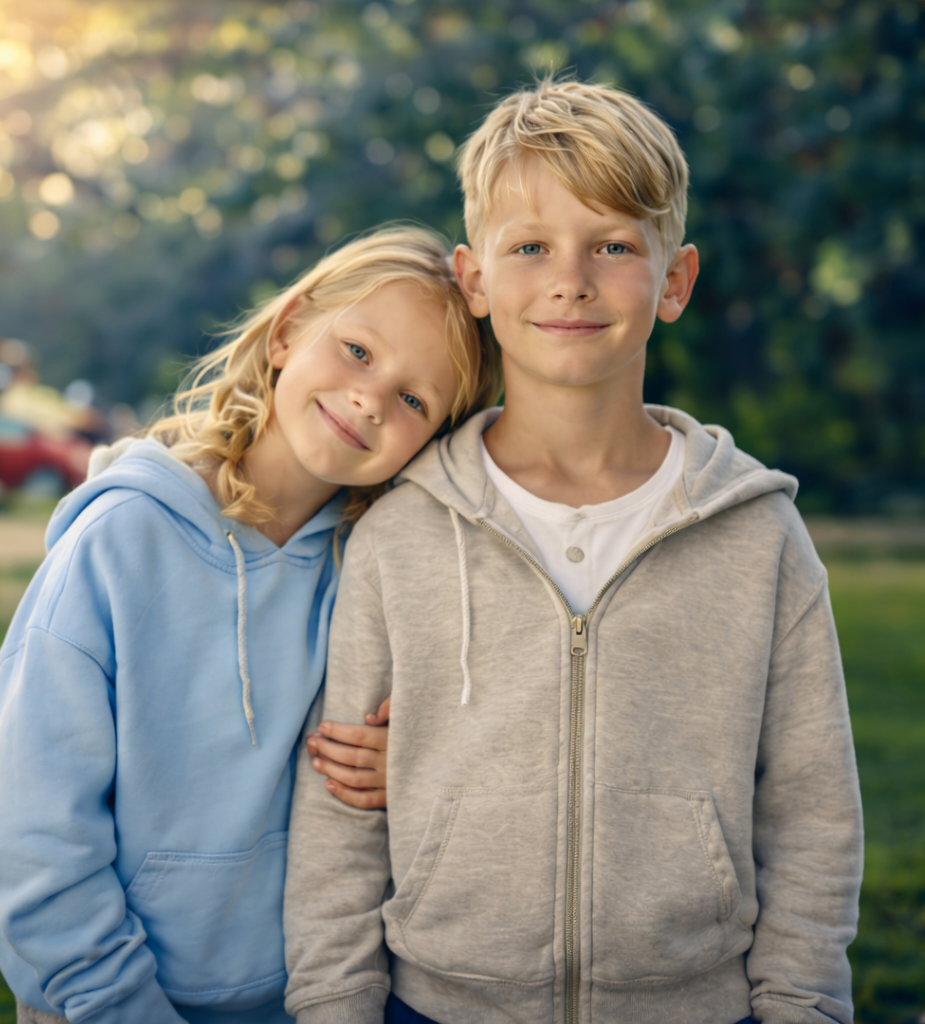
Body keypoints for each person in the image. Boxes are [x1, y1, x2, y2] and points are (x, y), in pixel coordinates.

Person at [283, 81, 863, 1024]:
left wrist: (800, 1005)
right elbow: (341, 815)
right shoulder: (403, 532)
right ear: (474, 280)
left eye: (614, 246)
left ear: (674, 282)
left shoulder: (759, 538)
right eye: (530, 248)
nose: (571, 279)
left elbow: (813, 815)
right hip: (436, 1006)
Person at [0, 225, 501, 1024]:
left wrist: (413, 767)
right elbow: (28, 839)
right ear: (287, 332)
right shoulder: (120, 544)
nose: (370, 397)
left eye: (415, 399)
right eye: (357, 351)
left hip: (304, 999)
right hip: (101, 999)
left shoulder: (376, 574)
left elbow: (462, 766)